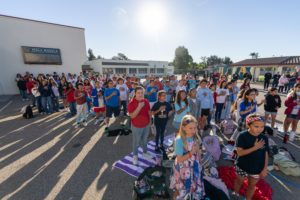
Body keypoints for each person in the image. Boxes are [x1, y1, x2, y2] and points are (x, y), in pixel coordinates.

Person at [233, 114, 269, 200]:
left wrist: (264, 168)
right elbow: (240, 153)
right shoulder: (242, 136)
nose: (260, 129)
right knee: (239, 181)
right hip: (242, 166)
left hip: (256, 168)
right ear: (248, 125)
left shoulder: (264, 138)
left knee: (252, 186)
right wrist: (255, 147)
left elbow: (266, 153)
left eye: (262, 126)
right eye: (256, 126)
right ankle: (235, 194)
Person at [170, 115, 205, 199]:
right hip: (183, 169)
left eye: (195, 128)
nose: (193, 130)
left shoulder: (195, 137)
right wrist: (191, 152)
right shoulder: (179, 140)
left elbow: (198, 151)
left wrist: (199, 160)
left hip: (194, 166)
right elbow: (179, 159)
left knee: (193, 187)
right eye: (190, 128)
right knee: (180, 190)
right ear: (183, 127)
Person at [128, 86, 152, 165]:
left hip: (146, 125)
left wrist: (151, 122)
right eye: (138, 93)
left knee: (145, 140)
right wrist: (139, 106)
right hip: (136, 126)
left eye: (142, 93)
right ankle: (135, 156)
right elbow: (132, 116)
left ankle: (145, 152)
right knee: (136, 142)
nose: (140, 94)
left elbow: (149, 112)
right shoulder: (131, 103)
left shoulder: (146, 101)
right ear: (135, 93)